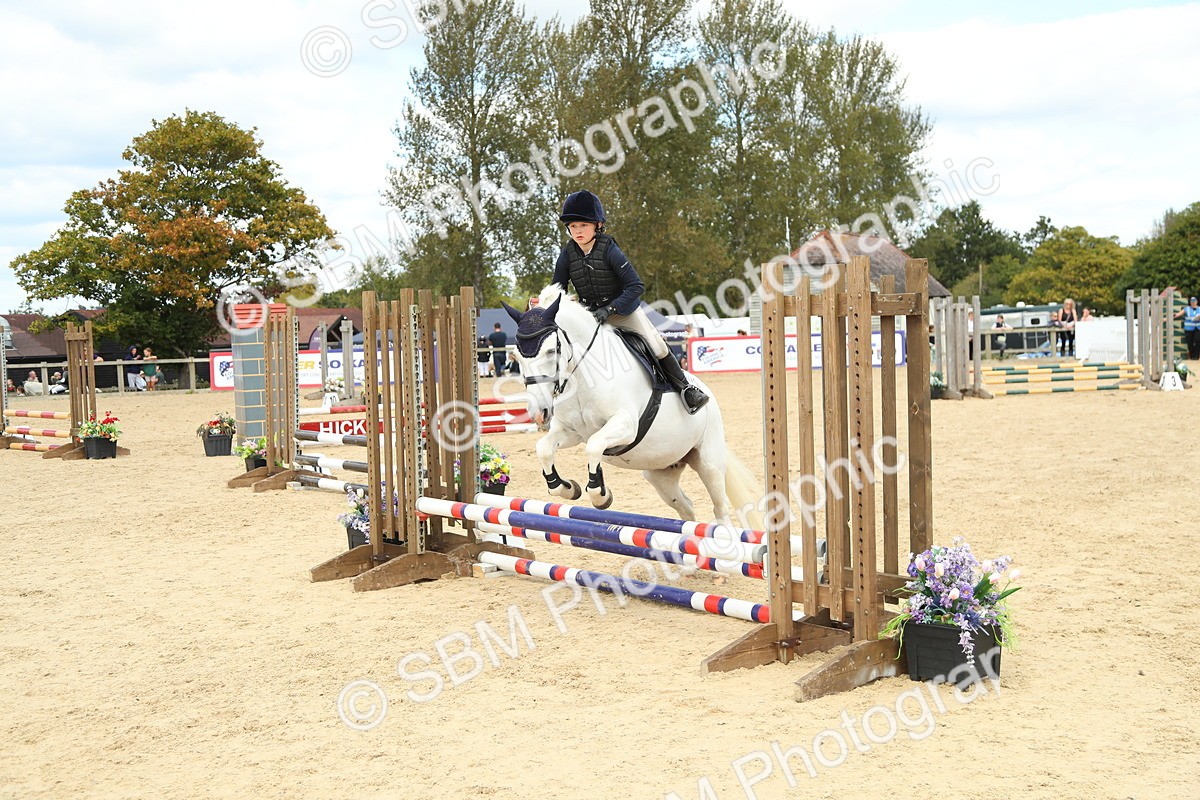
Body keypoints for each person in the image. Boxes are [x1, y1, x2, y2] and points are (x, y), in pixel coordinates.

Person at [550, 189, 708, 413]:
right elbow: (558, 289)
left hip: (622, 311)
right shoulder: (567, 254)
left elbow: (636, 286)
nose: (577, 231)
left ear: (597, 225)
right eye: (573, 226)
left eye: (583, 225)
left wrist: (610, 309)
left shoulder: (609, 249)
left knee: (656, 343)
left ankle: (686, 389)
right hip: (590, 316)